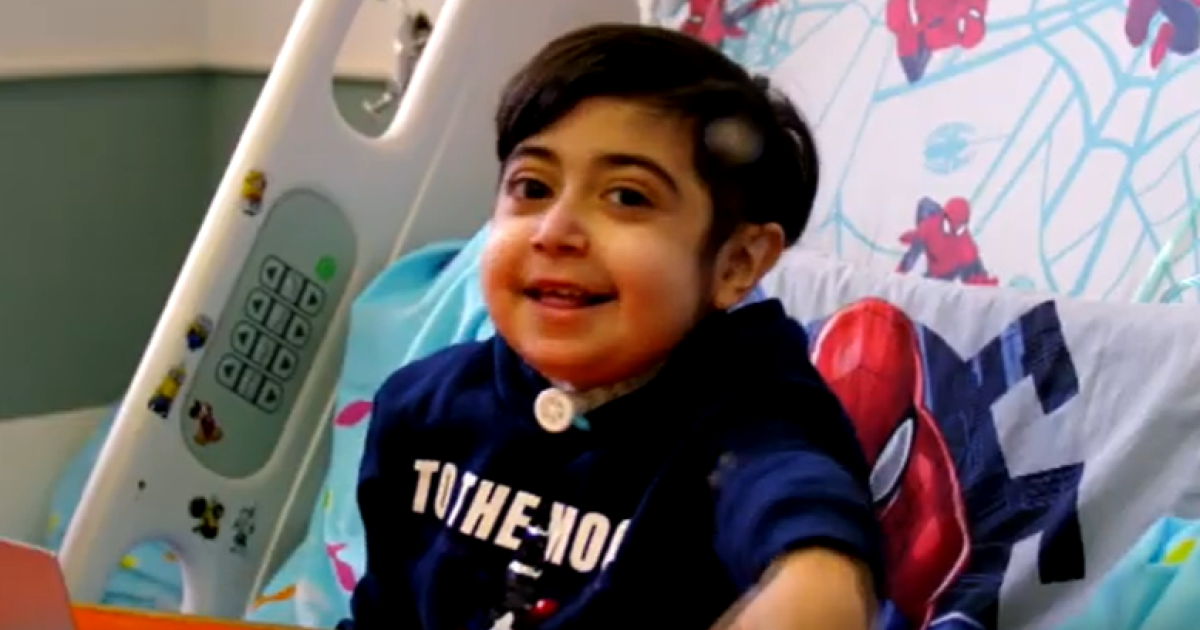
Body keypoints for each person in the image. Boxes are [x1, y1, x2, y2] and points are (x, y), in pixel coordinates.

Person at [340, 23, 883, 630]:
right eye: (532, 187)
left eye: (626, 197)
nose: (554, 232)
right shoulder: (423, 409)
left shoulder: (742, 424)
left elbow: (797, 517)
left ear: (735, 264)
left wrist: (815, 580)